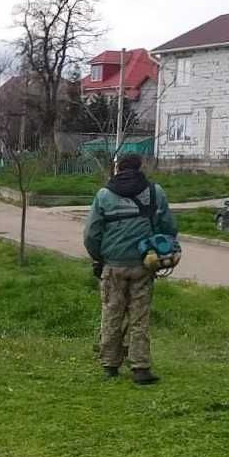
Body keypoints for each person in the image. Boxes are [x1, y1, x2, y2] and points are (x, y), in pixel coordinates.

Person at [83, 155, 177, 385]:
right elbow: (168, 227)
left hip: (113, 265)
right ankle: (140, 368)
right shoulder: (155, 192)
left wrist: (99, 258)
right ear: (140, 167)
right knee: (139, 317)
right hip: (144, 264)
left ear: (118, 168)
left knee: (111, 314)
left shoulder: (104, 195)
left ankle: (110, 365)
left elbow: (91, 234)